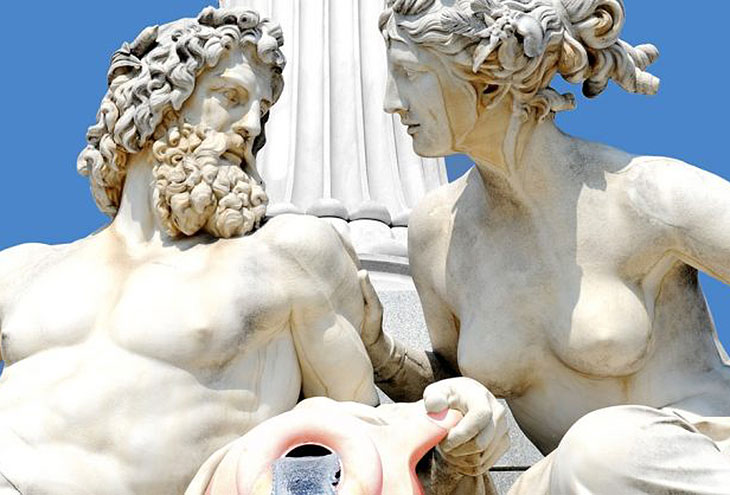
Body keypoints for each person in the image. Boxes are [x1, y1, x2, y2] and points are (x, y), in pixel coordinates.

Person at [0, 6, 497, 494]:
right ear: (153, 105)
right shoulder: (21, 270)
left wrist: (453, 431)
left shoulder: (284, 258)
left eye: (260, 112)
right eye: (230, 97)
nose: (252, 128)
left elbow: (364, 447)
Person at [359, 0, 730, 492]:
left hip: (697, 459)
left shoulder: (644, 196)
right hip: (560, 479)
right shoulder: (438, 233)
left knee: (600, 451)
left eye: (410, 74)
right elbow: (451, 384)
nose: (392, 101)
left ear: (490, 75)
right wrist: (381, 352)